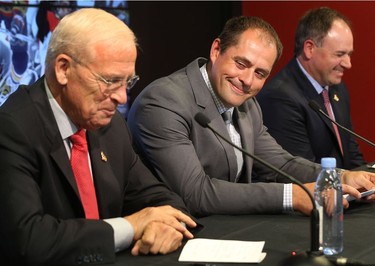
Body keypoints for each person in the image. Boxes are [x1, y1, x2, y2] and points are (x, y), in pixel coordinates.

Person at [0, 8, 198, 266]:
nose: (122, 98)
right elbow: (28, 240)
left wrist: (164, 226)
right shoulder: (13, 128)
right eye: (111, 81)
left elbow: (162, 199)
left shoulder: (110, 125)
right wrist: (131, 227)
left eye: (128, 82)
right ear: (63, 69)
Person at [127, 15, 375, 219]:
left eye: (260, 73)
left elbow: (282, 164)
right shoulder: (163, 101)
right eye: (241, 63)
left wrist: (339, 176)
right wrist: (293, 196)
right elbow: (196, 193)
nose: (247, 80)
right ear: (216, 50)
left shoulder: (248, 105)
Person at [257, 7, 365, 170]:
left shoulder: (337, 88)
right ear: (310, 49)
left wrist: (367, 183)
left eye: (349, 54)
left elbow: (351, 154)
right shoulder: (280, 97)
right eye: (339, 54)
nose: (348, 64)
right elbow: (300, 172)